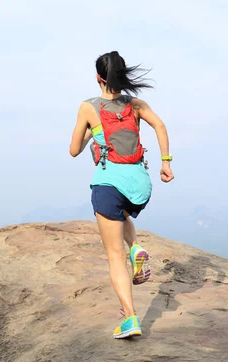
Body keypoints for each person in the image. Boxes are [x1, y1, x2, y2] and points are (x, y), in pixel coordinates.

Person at [69, 51, 174, 339]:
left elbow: (74, 149)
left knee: (115, 256)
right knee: (122, 214)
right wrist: (166, 163)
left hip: (108, 183)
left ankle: (130, 318)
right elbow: (160, 126)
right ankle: (136, 246)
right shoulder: (136, 104)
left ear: (98, 78)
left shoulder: (88, 107)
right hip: (139, 185)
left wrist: (95, 131)